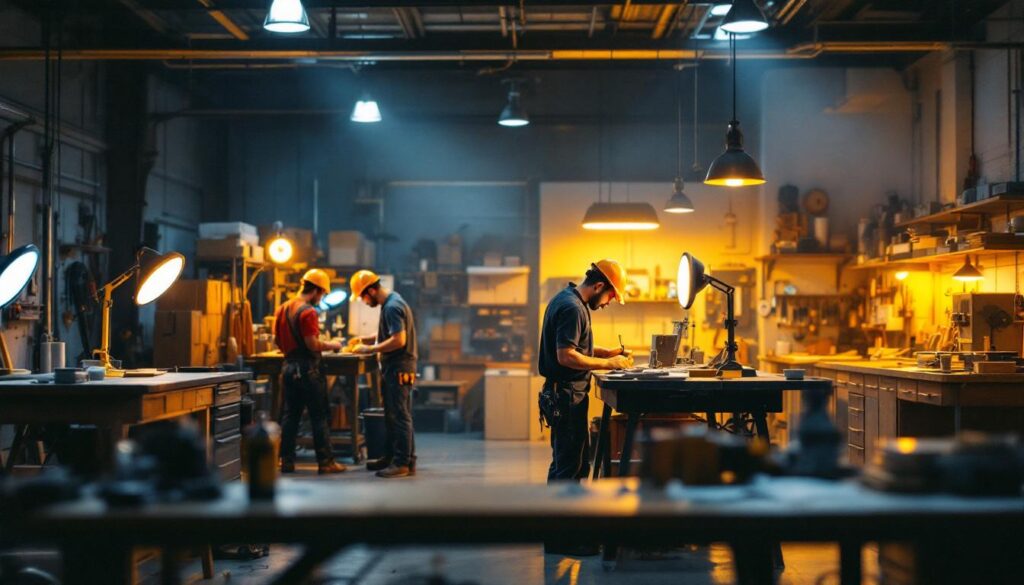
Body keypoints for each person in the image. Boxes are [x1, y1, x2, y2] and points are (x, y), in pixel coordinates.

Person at [539, 259, 633, 484]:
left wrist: (607, 353)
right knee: (569, 468)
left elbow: (575, 346)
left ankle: (556, 512)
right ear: (599, 286)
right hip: (566, 396)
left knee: (571, 463)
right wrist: (610, 364)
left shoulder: (570, 299)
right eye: (611, 296)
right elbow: (566, 356)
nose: (607, 303)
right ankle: (564, 515)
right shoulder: (572, 308)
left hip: (567, 395)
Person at [273, 269, 347, 475]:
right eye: (322, 294)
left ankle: (286, 462)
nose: (321, 298)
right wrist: (333, 345)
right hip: (308, 370)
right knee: (319, 416)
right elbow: (312, 344)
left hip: (288, 368)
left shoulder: (283, 308)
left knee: (290, 416)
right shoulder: (308, 312)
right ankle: (326, 463)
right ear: (314, 290)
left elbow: (277, 341)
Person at [348, 270, 419, 478]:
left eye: (362, 296)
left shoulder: (392, 307)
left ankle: (402, 464)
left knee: (399, 416)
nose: (363, 301)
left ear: (371, 290)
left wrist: (370, 349)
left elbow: (398, 340)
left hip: (399, 368)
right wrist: (365, 339)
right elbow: (388, 334)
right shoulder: (393, 302)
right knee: (394, 415)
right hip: (397, 367)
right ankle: (395, 458)